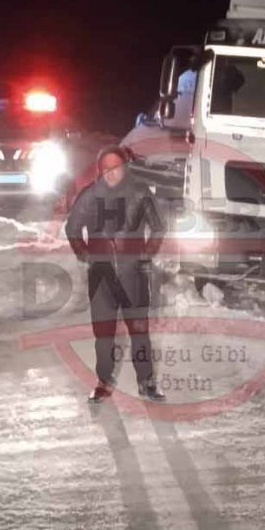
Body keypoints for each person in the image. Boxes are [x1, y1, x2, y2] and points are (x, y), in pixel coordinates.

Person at [65, 146, 166, 403]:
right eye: (106, 168)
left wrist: (146, 255)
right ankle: (103, 381)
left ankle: (147, 382)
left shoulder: (140, 194)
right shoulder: (89, 196)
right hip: (102, 278)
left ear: (125, 167)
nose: (111, 173)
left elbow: (158, 228)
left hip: (133, 275)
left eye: (116, 166)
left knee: (140, 332)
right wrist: (86, 255)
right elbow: (72, 227)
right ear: (100, 170)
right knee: (104, 333)